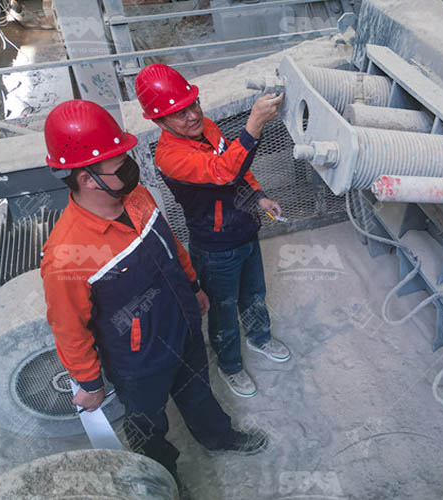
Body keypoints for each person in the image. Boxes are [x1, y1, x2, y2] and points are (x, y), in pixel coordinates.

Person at [40, 100, 266, 485]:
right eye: (118, 162)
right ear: (87, 178)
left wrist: (193, 285)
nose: (130, 165)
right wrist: (90, 383)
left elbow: (170, 245)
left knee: (198, 392)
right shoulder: (67, 255)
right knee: (147, 423)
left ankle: (218, 436)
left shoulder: (137, 196)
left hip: (183, 324)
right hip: (138, 361)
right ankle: (162, 477)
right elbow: (69, 327)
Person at [135, 63, 290, 398]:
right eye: (178, 113)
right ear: (159, 121)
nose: (192, 116)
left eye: (193, 104)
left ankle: (259, 337)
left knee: (254, 295)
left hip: (245, 230)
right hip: (217, 246)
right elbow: (222, 173)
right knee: (222, 308)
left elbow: (239, 169)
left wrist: (259, 197)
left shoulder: (206, 126)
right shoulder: (169, 156)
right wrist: (253, 125)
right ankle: (230, 365)